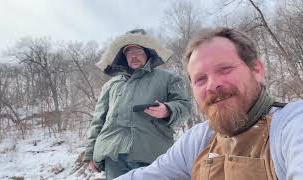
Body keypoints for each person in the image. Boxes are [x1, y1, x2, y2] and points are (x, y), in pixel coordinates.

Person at [116, 27, 303, 180]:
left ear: (257, 70)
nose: (212, 85)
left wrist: (168, 110)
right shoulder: (198, 140)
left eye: (225, 69)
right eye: (200, 79)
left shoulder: (291, 125)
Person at [83, 29, 191, 180]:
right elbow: (98, 120)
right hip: (113, 156)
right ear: (123, 57)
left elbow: (185, 106)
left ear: (148, 53)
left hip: (151, 153)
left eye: (138, 51)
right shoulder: (110, 85)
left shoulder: (168, 78)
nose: (133, 56)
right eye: (129, 52)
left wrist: (167, 110)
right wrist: (90, 154)